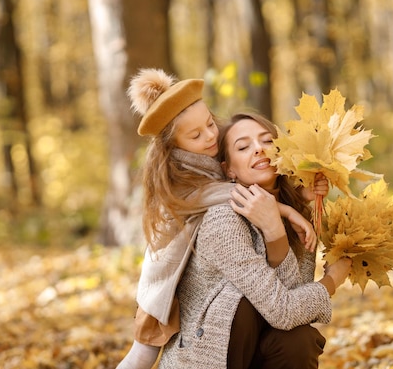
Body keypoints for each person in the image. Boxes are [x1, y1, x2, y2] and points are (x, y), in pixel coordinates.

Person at [117, 69, 322, 369]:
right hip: (161, 282)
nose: (211, 135)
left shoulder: (215, 157)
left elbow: (296, 292)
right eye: (197, 135)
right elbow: (224, 195)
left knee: (294, 335)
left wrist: (302, 201)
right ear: (176, 146)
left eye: (210, 124)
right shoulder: (181, 176)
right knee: (142, 353)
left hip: (217, 298)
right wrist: (283, 210)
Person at [157, 112, 352, 369]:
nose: (259, 149)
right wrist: (332, 280)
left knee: (299, 338)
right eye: (243, 146)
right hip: (206, 357)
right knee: (243, 302)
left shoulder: (298, 216)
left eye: (267, 141)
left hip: (255, 350)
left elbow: (295, 309)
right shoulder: (222, 218)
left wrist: (280, 228)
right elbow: (285, 310)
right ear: (229, 170)